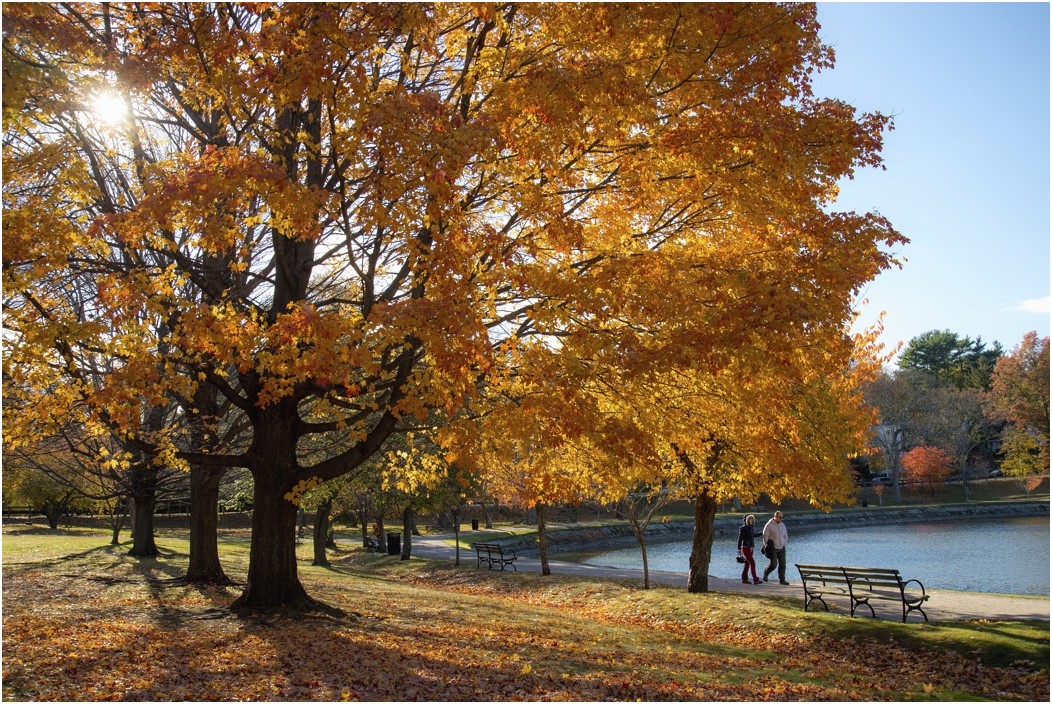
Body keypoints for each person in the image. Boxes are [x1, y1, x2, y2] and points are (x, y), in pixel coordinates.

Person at [762, 510, 790, 585]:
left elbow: (785, 535)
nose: (781, 519)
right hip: (773, 547)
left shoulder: (782, 525)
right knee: (773, 564)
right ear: (775, 517)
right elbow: (765, 535)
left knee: (783, 564)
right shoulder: (769, 525)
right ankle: (766, 572)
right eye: (780, 517)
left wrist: (784, 543)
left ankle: (782, 579)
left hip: (782, 547)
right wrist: (766, 546)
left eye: (782, 517)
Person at [736, 515, 762, 585]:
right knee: (752, 563)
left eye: (753, 519)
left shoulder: (751, 527)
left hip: (751, 548)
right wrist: (739, 549)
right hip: (745, 548)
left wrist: (762, 532)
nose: (752, 520)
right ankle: (755, 579)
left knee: (747, 564)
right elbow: (740, 539)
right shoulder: (743, 528)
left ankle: (744, 579)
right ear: (747, 520)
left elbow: (753, 535)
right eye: (750, 519)